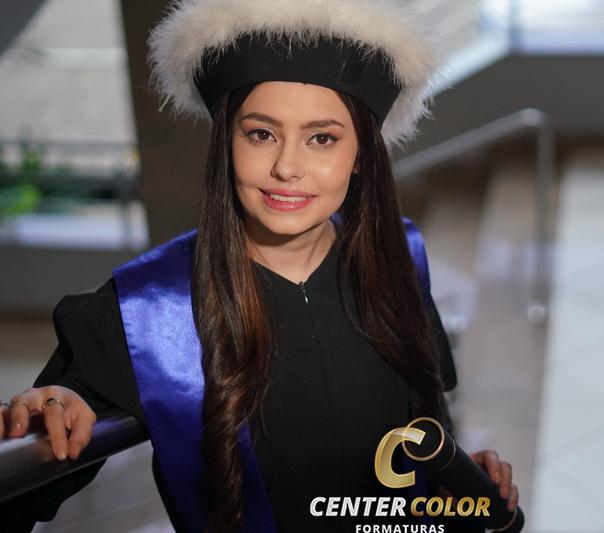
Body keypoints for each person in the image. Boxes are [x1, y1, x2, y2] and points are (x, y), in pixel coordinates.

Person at [0, 1, 519, 532]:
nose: (287, 167)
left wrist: (452, 485)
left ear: (362, 154)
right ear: (226, 142)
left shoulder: (399, 262)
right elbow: (24, 482)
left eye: (322, 138)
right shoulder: (146, 312)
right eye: (261, 134)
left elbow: (424, 430)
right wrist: (46, 416)